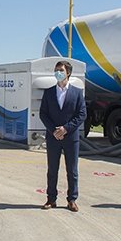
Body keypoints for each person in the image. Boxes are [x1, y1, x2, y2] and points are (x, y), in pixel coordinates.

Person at [39, 60, 87, 212]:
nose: (58, 72)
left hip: (71, 138)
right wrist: (54, 130)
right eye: (56, 70)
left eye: (61, 70)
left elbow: (82, 114)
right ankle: (51, 199)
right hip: (53, 137)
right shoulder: (48, 92)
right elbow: (43, 114)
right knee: (52, 170)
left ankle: (72, 199)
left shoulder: (77, 93)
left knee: (72, 170)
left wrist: (66, 129)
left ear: (68, 73)